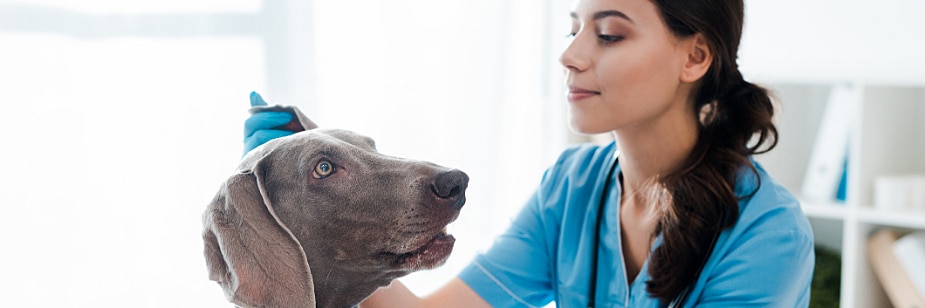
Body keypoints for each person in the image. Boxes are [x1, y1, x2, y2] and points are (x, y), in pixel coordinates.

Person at [242, 0, 815, 306]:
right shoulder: (572, 186)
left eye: (609, 34)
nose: (571, 55)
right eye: (574, 28)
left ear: (695, 57)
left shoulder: (767, 231)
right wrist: (319, 205)